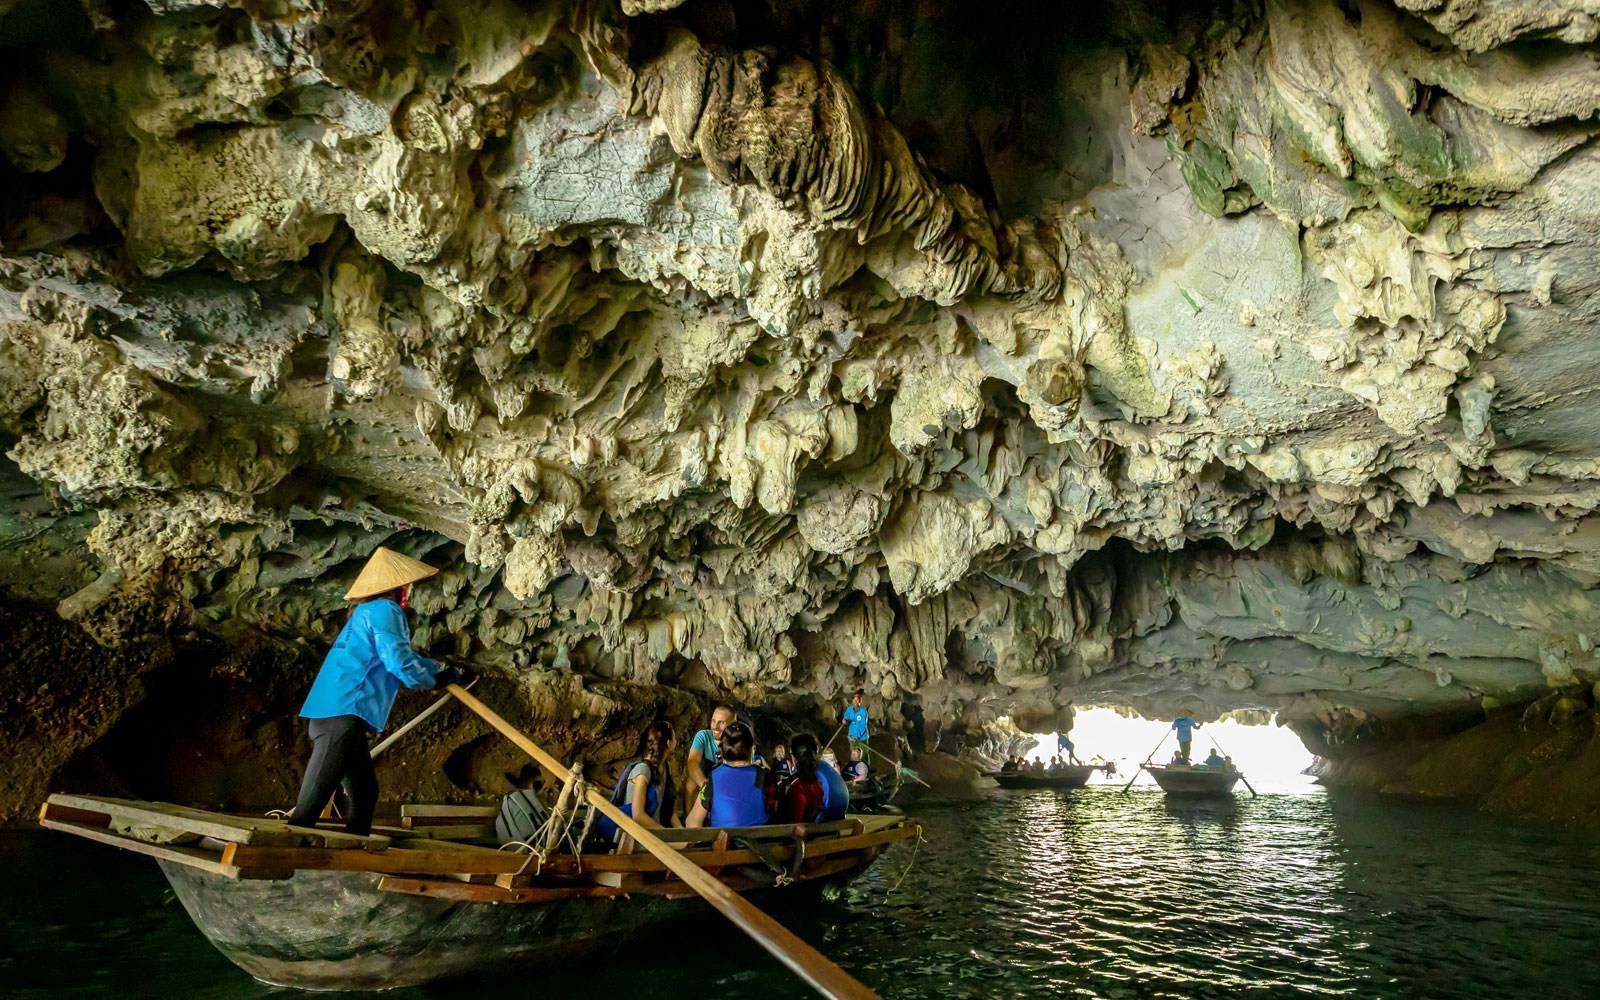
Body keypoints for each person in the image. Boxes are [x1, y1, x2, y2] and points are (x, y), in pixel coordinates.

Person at [287, 547, 457, 836]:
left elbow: (391, 654)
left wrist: (435, 669)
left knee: (365, 792)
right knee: (311, 804)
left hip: (336, 714)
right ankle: (286, 854)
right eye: (409, 586)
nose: (410, 591)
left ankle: (355, 851)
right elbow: (398, 661)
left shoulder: (364, 612)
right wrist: (433, 681)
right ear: (397, 587)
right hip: (342, 714)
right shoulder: (385, 609)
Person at [599, 720, 676, 852]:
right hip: (638, 835)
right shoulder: (643, 770)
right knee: (680, 846)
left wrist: (680, 831)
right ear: (669, 743)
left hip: (654, 832)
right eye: (675, 738)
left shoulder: (665, 768)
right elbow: (638, 815)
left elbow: (669, 809)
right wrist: (666, 835)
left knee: (685, 843)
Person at [687, 721, 771, 828]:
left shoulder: (714, 777)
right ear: (751, 748)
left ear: (722, 749)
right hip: (760, 842)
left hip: (724, 842)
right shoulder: (764, 776)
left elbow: (692, 822)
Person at [686, 704, 734, 803]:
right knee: (690, 784)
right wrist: (704, 786)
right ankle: (689, 817)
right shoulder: (703, 736)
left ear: (732, 724)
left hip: (726, 778)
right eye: (713, 721)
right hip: (706, 777)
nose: (715, 727)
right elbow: (692, 762)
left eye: (721, 722)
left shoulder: (737, 741)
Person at [778, 733, 826, 823]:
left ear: (794, 757)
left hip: (796, 833)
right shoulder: (819, 782)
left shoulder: (795, 785)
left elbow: (794, 822)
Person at [817, 748, 850, 820]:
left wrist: (834, 766)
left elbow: (838, 776)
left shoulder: (834, 767)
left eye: (829, 756)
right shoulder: (820, 767)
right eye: (825, 756)